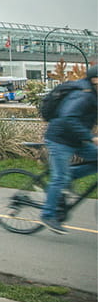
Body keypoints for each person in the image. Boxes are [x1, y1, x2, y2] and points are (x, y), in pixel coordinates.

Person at [40, 65, 98, 234]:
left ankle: (70, 176)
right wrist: (92, 137)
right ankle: (48, 215)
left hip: (76, 139)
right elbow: (68, 118)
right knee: (59, 177)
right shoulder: (83, 95)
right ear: (95, 80)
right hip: (60, 139)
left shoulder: (94, 94)